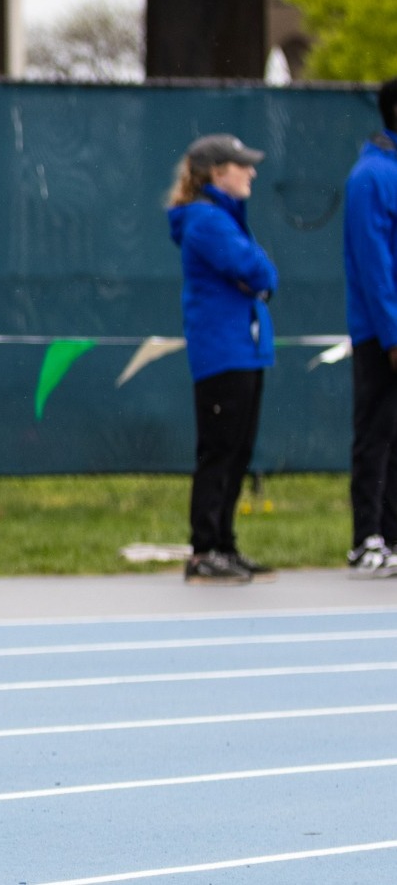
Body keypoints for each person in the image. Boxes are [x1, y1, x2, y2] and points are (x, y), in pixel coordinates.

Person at [166, 134, 277, 585]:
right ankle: (203, 550)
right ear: (216, 173)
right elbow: (260, 272)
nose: (250, 172)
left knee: (238, 452)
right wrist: (257, 279)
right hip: (222, 353)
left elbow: (262, 275)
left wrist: (258, 279)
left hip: (244, 351)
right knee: (219, 452)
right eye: (241, 165)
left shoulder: (225, 218)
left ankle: (225, 545)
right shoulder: (208, 222)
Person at [342, 77, 397, 577]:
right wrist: (393, 334)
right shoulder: (371, 177)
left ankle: (393, 535)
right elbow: (375, 263)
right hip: (381, 333)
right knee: (376, 432)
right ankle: (367, 538)